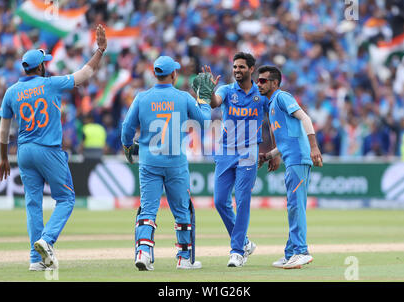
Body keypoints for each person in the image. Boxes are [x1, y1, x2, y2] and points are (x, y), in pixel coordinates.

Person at [0, 25, 107, 271]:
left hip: (23, 152)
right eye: (44, 62)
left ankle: (35, 260)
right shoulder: (51, 84)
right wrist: (100, 50)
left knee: (33, 203)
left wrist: (3, 158)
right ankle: (46, 241)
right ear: (40, 67)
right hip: (48, 149)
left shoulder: (11, 92)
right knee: (66, 198)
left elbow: (4, 130)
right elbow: (85, 73)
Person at [121, 55, 211, 271]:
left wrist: (127, 147)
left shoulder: (141, 98)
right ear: (173, 74)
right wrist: (205, 98)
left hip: (149, 161)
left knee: (148, 209)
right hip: (175, 162)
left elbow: (126, 129)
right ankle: (184, 258)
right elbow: (204, 123)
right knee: (181, 210)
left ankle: (143, 252)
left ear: (154, 74)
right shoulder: (183, 97)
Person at [199, 52, 279, 267]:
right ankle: (244, 242)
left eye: (241, 67)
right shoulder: (226, 89)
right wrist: (208, 90)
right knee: (219, 201)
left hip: (249, 151)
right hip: (225, 151)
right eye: (235, 67)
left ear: (251, 69)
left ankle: (236, 251)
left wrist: (275, 150)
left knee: (242, 201)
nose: (237, 70)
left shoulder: (260, 94)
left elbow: (272, 123)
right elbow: (215, 102)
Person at [256, 65, 323, 269]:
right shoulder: (272, 104)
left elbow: (305, 118)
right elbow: (285, 142)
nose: (259, 84)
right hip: (292, 158)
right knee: (293, 204)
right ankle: (290, 253)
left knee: (295, 205)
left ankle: (301, 251)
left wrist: (314, 147)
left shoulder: (282, 97)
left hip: (299, 158)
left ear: (275, 83)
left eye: (263, 81)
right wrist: (269, 155)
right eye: (258, 80)